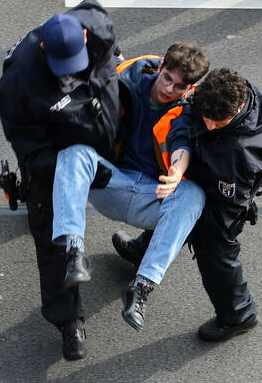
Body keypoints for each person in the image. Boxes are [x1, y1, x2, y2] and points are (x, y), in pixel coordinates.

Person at [51, 43, 209, 334]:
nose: (170, 90)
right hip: (110, 181)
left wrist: (178, 172)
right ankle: (73, 252)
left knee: (193, 194)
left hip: (151, 195)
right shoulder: (124, 81)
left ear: (190, 87)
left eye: (179, 86)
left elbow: (182, 144)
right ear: (160, 68)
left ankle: (142, 286)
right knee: (73, 153)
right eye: (167, 79)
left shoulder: (189, 108)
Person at [0, 0, 122, 361]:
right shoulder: (19, 83)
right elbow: (30, 150)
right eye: (61, 68)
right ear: (43, 50)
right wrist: (72, 171)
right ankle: (68, 322)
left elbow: (113, 61)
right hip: (54, 152)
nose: (68, 74)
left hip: (105, 136)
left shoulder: (97, 26)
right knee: (53, 239)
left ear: (86, 36)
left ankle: (144, 246)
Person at [172, 67, 262, 341]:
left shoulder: (239, 154)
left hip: (226, 198)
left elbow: (227, 202)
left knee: (215, 250)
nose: (209, 125)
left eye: (218, 122)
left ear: (239, 108)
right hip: (212, 171)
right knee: (173, 209)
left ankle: (238, 314)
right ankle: (145, 250)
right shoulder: (231, 94)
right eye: (207, 117)